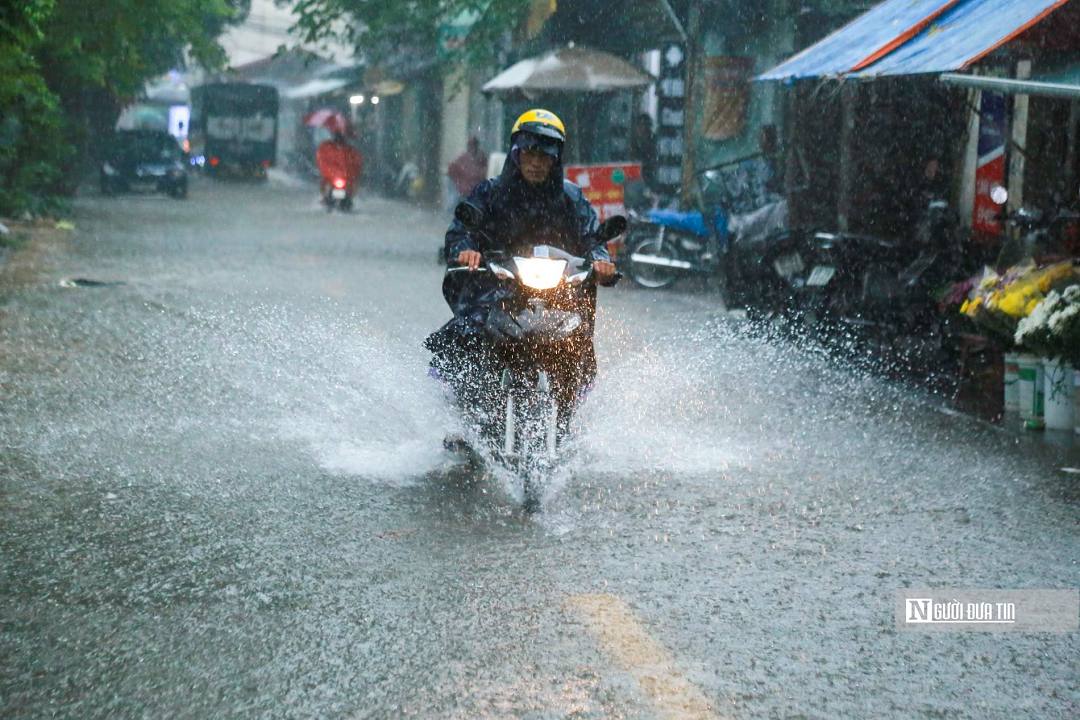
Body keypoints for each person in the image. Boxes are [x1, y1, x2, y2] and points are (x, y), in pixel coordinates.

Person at [427, 109, 616, 417]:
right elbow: (462, 230)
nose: (536, 162)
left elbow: (593, 239)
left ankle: (576, 414)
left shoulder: (571, 197)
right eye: (530, 153)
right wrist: (466, 250)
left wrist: (601, 261)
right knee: (466, 333)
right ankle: (457, 416)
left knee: (576, 339)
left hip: (556, 292)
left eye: (545, 155)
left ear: (556, 159)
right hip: (498, 287)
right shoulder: (489, 192)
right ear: (516, 154)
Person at [315, 132, 363, 204]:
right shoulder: (350, 150)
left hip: (332, 177)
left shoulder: (326, 148)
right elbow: (357, 164)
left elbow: (321, 161)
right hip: (344, 177)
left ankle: (325, 198)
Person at [446, 136, 489, 211]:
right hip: (467, 190)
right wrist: (459, 183)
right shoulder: (465, 158)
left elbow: (483, 172)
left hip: (471, 190)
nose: (473, 148)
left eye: (474, 145)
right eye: (471, 145)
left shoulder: (481, 158)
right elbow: (452, 168)